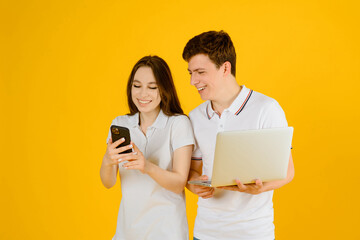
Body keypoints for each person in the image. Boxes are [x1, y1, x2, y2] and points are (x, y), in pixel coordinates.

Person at [183, 30, 295, 240]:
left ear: (225, 67)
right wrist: (195, 185)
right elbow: (193, 172)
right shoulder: (195, 117)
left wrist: (259, 189)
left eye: (200, 72)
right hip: (206, 233)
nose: (193, 81)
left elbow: (287, 170)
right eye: (190, 73)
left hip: (253, 233)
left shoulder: (266, 108)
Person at [100, 55, 195, 240]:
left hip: (167, 232)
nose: (143, 94)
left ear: (164, 89)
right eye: (137, 86)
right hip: (126, 233)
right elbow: (108, 182)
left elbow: (179, 183)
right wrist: (108, 161)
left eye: (152, 87)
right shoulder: (121, 124)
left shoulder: (178, 124)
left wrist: (147, 166)